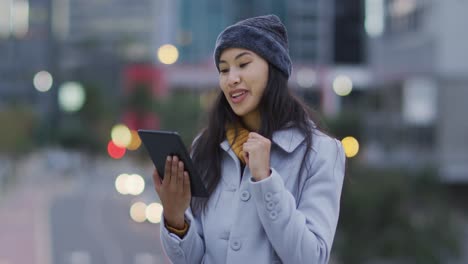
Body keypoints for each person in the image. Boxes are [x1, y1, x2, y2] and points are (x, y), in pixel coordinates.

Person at [152, 14, 346, 264]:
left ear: (273, 68)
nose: (231, 78)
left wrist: (265, 180)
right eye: (224, 69)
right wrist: (175, 216)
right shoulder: (207, 144)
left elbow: (311, 258)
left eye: (243, 64)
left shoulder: (322, 152)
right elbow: (193, 259)